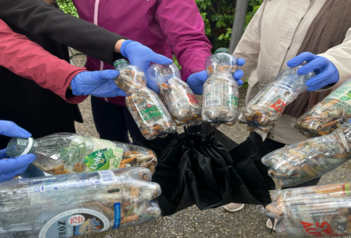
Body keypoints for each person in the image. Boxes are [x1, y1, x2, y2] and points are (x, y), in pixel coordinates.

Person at [216, 0, 351, 228]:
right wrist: (230, 72)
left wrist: (335, 62)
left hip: (315, 111)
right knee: (255, 153)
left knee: (302, 167)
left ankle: (283, 210)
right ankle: (242, 193)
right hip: (265, 103)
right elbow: (252, 41)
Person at [0, 0, 172, 177]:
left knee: (62, 164)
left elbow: (21, 30)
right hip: (17, 98)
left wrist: (70, 77)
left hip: (54, 91)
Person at [70, 0, 245, 144]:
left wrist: (197, 67)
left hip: (150, 87)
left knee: (156, 154)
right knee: (112, 148)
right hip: (102, 86)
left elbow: (187, 35)